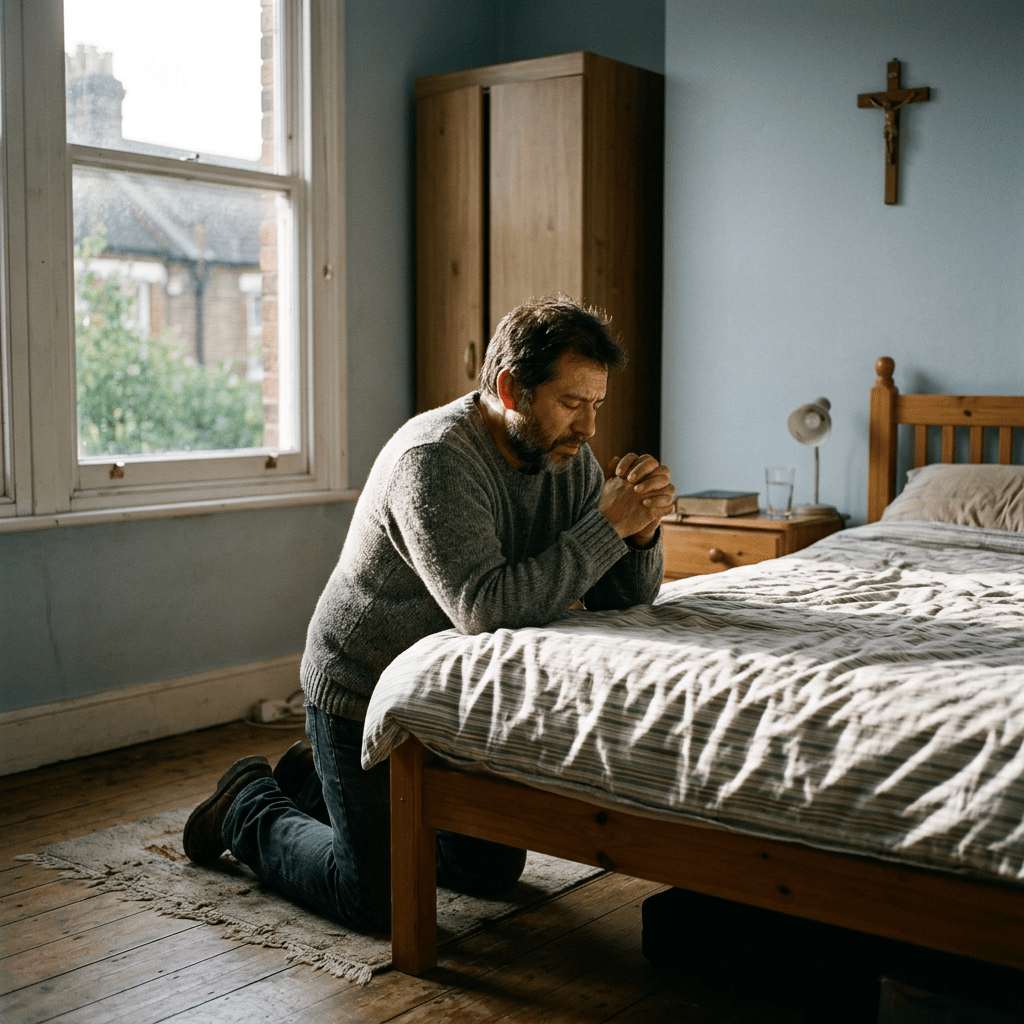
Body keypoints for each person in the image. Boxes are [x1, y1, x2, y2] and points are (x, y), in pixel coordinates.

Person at [183, 296, 675, 932]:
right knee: (377, 901)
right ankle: (246, 804)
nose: (589, 427)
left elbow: (620, 597)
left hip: (446, 700)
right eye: (571, 403)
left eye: (597, 405)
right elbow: (484, 607)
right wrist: (607, 527)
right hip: (361, 689)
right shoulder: (436, 459)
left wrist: (637, 536)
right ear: (510, 388)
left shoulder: (570, 462)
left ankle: (312, 783)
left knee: (489, 870)